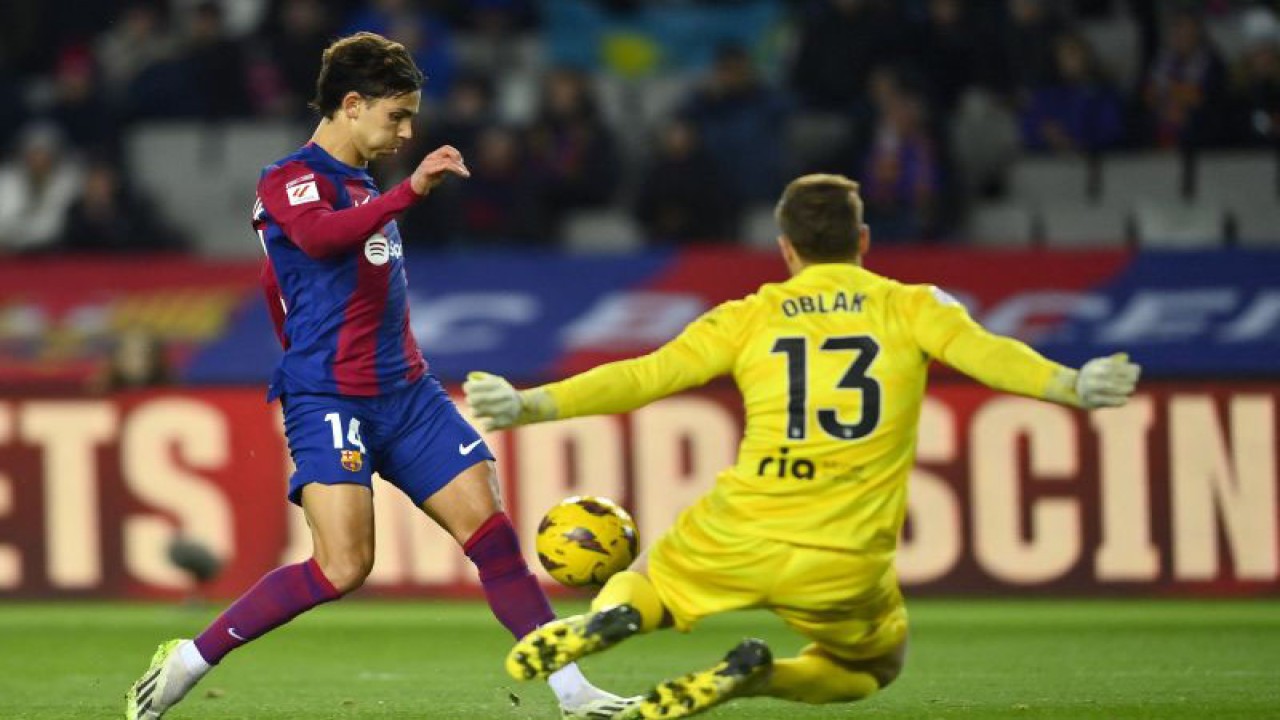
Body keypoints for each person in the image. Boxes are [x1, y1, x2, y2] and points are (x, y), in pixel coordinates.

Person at [464, 173, 1141, 719]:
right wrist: (1075, 385)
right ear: (864, 240)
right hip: (845, 553)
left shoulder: (750, 315)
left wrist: (530, 404)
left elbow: (644, 375)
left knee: (647, 582)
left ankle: (613, 617)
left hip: (740, 528)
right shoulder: (915, 307)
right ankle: (757, 678)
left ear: (786, 247)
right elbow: (993, 357)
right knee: (867, 669)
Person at [124, 32, 633, 720]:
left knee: (490, 529)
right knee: (342, 567)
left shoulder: (365, 185)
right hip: (330, 396)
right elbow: (317, 239)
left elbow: (291, 284)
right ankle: (189, 659)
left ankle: (572, 694)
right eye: (397, 115)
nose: (408, 130)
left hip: (408, 394)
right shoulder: (289, 179)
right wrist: (410, 193)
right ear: (353, 104)